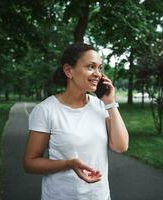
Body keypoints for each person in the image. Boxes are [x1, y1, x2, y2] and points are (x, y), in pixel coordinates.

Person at [23, 43, 129, 200]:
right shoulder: (46, 110)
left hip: (100, 196)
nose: (98, 74)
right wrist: (68, 164)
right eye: (91, 67)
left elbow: (121, 146)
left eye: (99, 68)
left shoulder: (101, 105)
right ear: (68, 70)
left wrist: (110, 103)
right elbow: (30, 163)